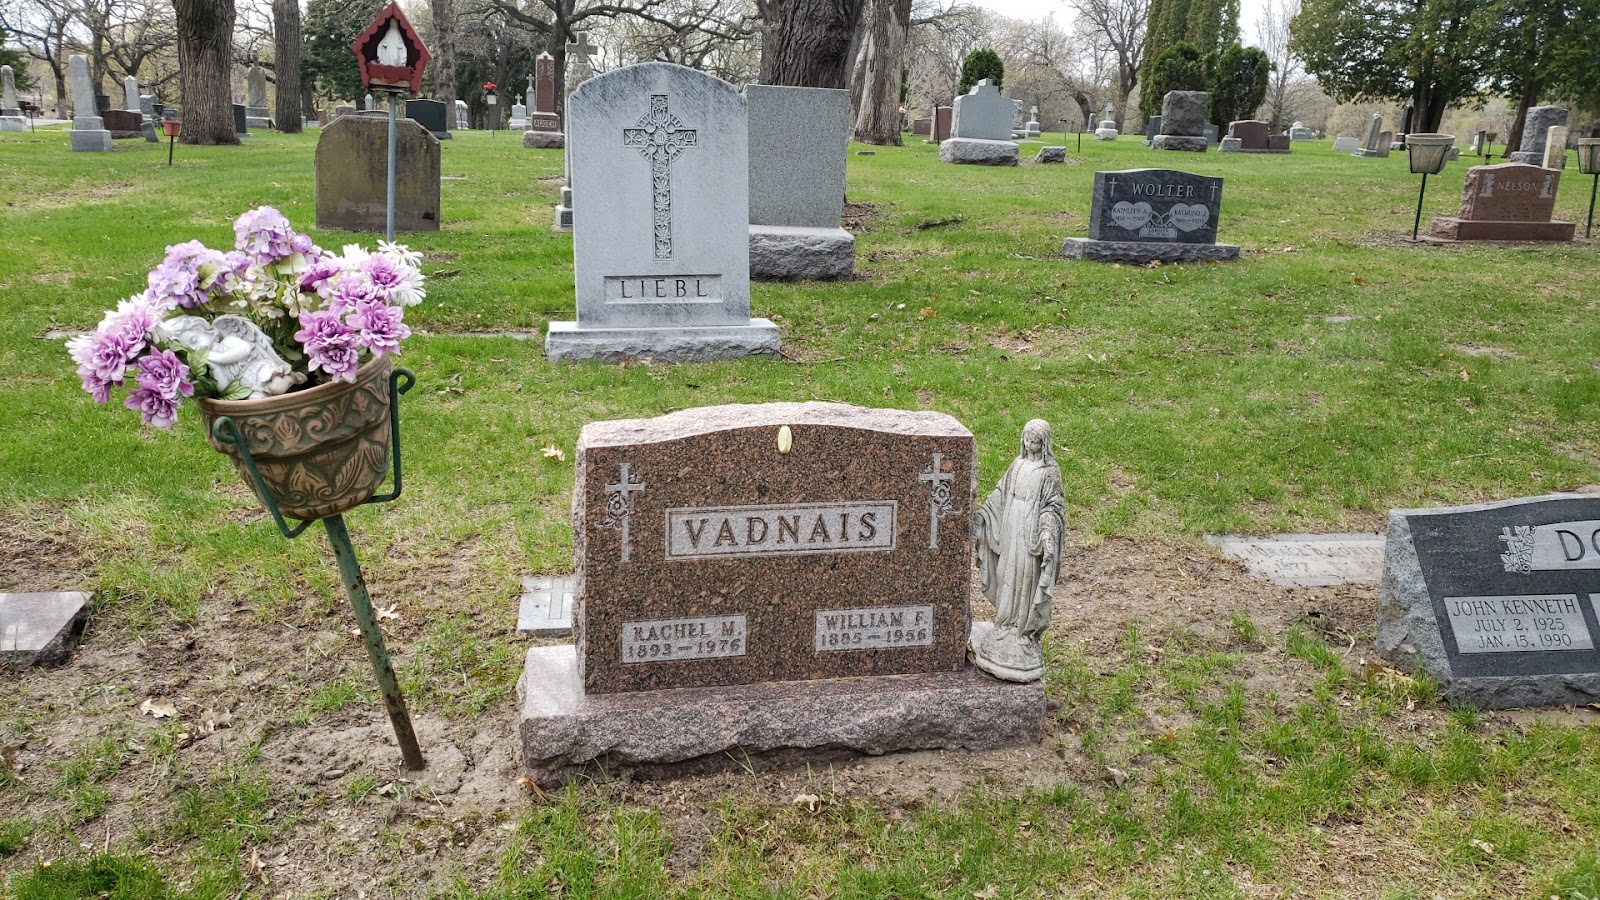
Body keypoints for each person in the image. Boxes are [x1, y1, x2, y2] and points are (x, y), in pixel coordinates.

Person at [972, 419, 1065, 682]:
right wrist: (984, 516)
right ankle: (1003, 624)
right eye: (1026, 439)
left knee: (1024, 578)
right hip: (1011, 526)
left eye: (1035, 441)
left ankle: (1022, 632)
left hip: (1030, 533)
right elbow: (1000, 494)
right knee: (1005, 574)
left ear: (1044, 444)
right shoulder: (1017, 465)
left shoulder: (1049, 472)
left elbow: (1053, 506)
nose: (1029, 444)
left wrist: (1047, 531)